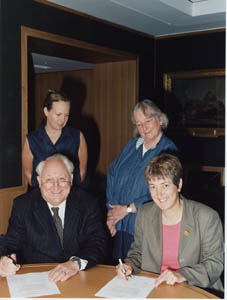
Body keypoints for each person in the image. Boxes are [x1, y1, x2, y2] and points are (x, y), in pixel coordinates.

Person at [116, 154, 224, 292]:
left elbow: (215, 264)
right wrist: (129, 265)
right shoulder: (144, 213)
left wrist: (182, 274)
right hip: (154, 287)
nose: (159, 194)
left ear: (178, 185)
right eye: (153, 187)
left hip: (195, 289)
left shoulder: (206, 217)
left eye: (165, 185)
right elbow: (137, 252)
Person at [0, 154, 107, 282]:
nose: (56, 186)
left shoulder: (88, 203)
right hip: (38, 279)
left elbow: (98, 242)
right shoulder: (23, 205)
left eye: (62, 179)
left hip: (79, 276)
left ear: (71, 179)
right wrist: (3, 260)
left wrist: (74, 263)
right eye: (49, 180)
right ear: (39, 181)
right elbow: (8, 243)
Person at [106, 99, 178, 262]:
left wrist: (128, 209)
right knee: (120, 272)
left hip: (145, 226)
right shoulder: (132, 145)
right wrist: (112, 214)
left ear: (160, 120)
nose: (144, 128)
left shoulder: (169, 150)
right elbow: (112, 174)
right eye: (138, 124)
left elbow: (164, 191)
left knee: (141, 273)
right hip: (120, 225)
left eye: (148, 121)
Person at [22, 89, 88, 188]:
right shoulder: (31, 139)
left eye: (66, 115)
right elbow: (28, 174)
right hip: (40, 195)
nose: (62, 120)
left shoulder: (77, 136)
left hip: (70, 194)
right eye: (58, 114)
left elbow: (82, 173)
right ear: (46, 111)